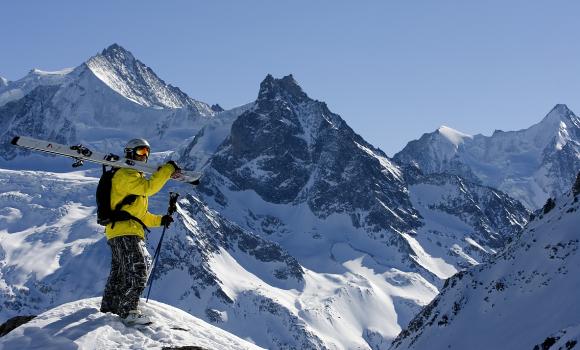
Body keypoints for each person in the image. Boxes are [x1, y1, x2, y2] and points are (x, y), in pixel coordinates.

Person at [100, 138, 180, 325]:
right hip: (125, 232)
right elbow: (150, 188)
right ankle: (128, 310)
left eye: (147, 152)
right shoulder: (125, 175)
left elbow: (140, 215)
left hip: (121, 231)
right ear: (129, 152)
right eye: (141, 151)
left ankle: (109, 309)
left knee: (120, 273)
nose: (144, 156)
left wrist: (161, 220)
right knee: (138, 269)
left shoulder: (133, 178)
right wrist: (168, 170)